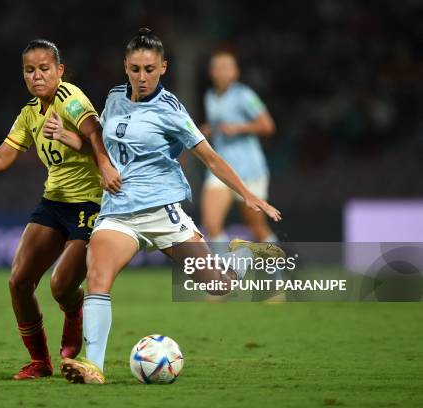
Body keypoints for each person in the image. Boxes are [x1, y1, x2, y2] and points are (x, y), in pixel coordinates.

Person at [58, 28, 284, 384]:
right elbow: (102, 143)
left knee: (218, 286)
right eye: (135, 69)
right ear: (125, 67)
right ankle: (94, 366)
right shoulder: (115, 98)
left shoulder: (171, 110)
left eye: (149, 69)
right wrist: (80, 145)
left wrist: (248, 195)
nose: (142, 77)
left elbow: (210, 157)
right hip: (118, 211)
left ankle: (244, 258)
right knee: (98, 278)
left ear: (163, 67)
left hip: (162, 213)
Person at [0, 39, 120, 380]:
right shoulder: (30, 113)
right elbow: (0, 159)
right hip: (54, 202)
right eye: (30, 70)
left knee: (60, 286)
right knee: (19, 281)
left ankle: (74, 310)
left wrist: (99, 162)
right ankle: (40, 362)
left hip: (90, 205)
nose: (37, 76)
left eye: (44, 68)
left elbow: (99, 136)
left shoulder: (70, 100)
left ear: (59, 70)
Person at [200, 51, 277, 244]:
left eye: (227, 68)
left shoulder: (244, 95)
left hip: (249, 169)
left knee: (257, 227)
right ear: (211, 72)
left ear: (235, 72)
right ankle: (227, 272)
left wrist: (239, 127)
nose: (223, 73)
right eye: (218, 68)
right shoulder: (210, 96)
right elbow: (219, 126)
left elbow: (268, 125)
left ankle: (277, 272)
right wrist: (209, 130)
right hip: (221, 168)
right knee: (211, 224)